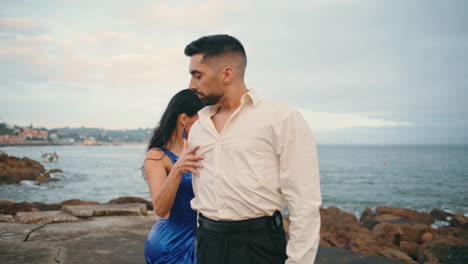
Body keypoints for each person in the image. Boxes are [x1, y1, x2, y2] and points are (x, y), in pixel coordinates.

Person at [184, 35, 322, 264]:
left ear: (227, 74)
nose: (191, 85)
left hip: (259, 245)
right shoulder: (199, 126)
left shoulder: (281, 118)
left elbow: (304, 200)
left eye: (198, 75)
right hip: (208, 243)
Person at [144, 89, 205, 264]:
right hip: (170, 246)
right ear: (184, 119)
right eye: (200, 123)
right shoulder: (157, 156)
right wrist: (177, 170)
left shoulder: (201, 149)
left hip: (202, 241)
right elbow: (161, 209)